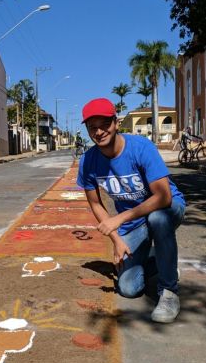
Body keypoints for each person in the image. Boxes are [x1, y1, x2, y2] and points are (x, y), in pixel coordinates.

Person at [77, 98, 186, 323]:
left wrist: (120, 219)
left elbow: (163, 197)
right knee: (128, 287)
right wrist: (117, 240)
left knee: (157, 219)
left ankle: (169, 291)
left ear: (116, 123)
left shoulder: (140, 148)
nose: (99, 132)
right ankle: (162, 258)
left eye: (104, 124)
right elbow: (96, 204)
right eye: (92, 127)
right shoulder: (88, 161)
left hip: (167, 208)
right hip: (136, 221)